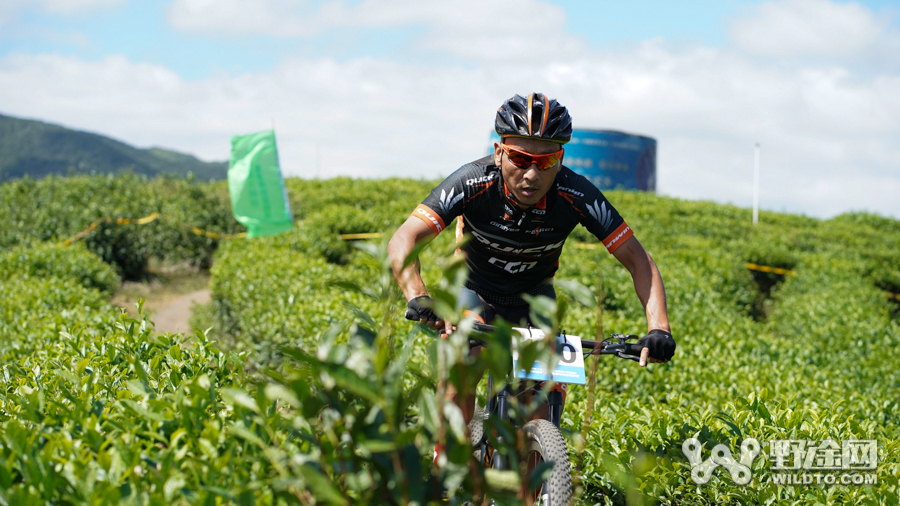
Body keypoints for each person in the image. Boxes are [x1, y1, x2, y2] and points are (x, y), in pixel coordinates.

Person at [387, 92, 675, 426]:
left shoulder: (577, 194)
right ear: (498, 153)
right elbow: (404, 239)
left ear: (561, 159)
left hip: (534, 298)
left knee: (539, 402)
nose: (532, 174)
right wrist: (418, 294)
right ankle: (446, 468)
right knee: (462, 372)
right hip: (473, 291)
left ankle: (536, 462)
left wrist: (659, 327)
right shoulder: (471, 181)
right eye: (521, 159)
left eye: (546, 162)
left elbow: (639, 260)